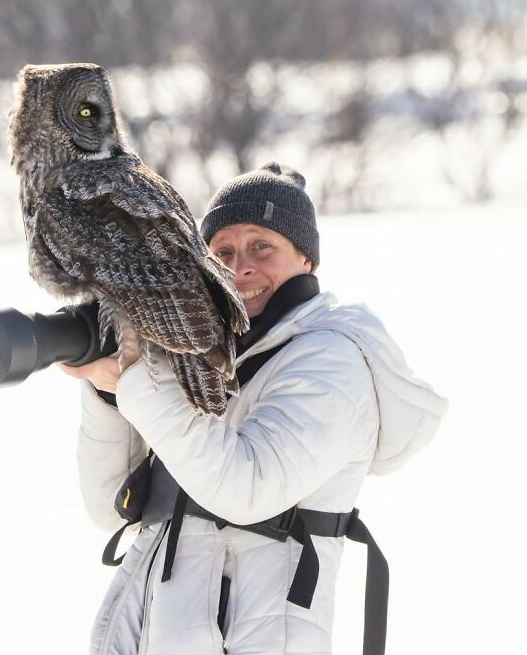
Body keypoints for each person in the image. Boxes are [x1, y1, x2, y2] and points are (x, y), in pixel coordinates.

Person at [60, 162, 448, 655]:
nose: (240, 268)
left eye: (262, 246)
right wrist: (110, 393)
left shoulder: (333, 359)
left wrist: (138, 383)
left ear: (305, 258)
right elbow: (110, 507)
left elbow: (249, 488)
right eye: (222, 251)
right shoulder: (202, 360)